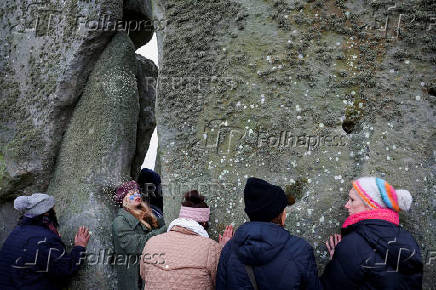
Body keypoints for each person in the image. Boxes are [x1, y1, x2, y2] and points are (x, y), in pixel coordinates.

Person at [216, 177, 321, 290]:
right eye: (283, 209)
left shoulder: (229, 250)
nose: (285, 213)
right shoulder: (300, 250)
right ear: (278, 214)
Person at [321, 177, 423, 289]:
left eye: (352, 200)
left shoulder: (352, 244)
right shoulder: (409, 241)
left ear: (371, 206)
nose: (346, 205)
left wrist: (337, 262)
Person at [140, 190, 234, 289]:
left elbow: (143, 274)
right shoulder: (211, 248)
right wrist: (224, 250)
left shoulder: (152, 242)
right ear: (204, 223)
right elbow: (224, 281)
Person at [0, 193, 90, 290]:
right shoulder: (45, 239)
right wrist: (80, 246)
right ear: (47, 213)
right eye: (53, 209)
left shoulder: (16, 232)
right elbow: (66, 269)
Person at [112, 180, 167, 290]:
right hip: (134, 281)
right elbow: (137, 246)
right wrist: (165, 229)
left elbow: (163, 223)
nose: (136, 195)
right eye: (131, 193)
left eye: (137, 192)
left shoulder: (146, 216)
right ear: (123, 199)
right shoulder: (120, 222)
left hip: (148, 276)